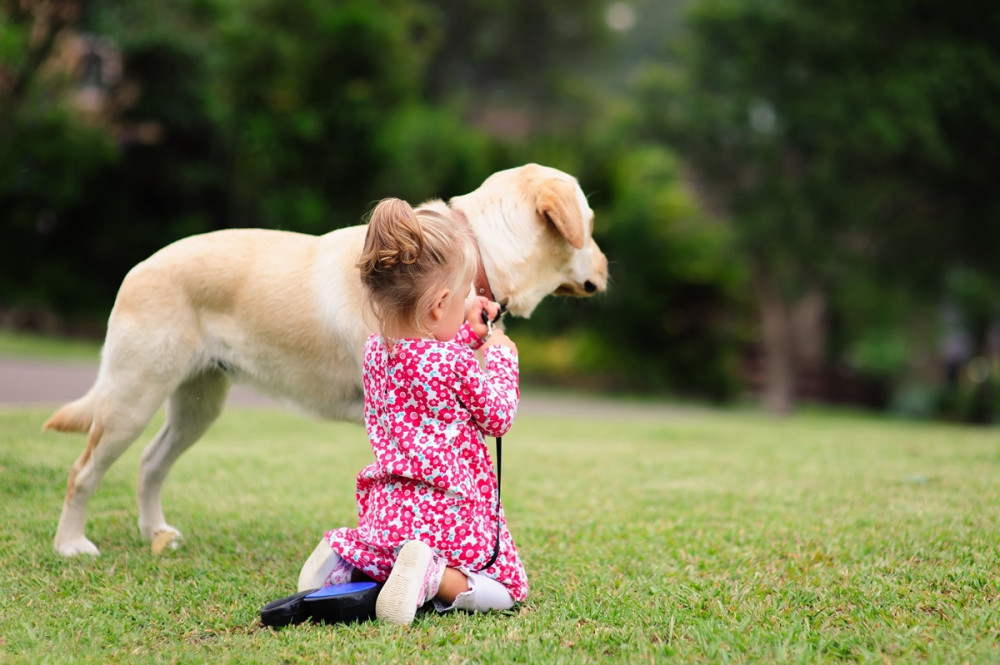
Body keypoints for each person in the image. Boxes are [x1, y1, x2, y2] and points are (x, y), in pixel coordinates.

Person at [297, 197, 527, 626]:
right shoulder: (454, 365)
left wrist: (467, 332)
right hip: (449, 515)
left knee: (394, 551)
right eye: (461, 299)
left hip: (388, 513)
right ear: (440, 306)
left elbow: (426, 370)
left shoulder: (374, 352)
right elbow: (497, 417)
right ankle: (434, 575)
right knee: (509, 588)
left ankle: (346, 556)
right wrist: (500, 356)